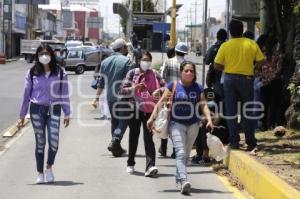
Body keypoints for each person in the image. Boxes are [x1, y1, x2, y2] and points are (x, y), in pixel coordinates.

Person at [147, 61, 213, 194]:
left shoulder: (199, 88)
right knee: (181, 153)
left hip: (194, 124)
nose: (189, 73)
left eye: (191, 71)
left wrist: (209, 119)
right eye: (186, 71)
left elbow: (203, 105)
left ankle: (179, 178)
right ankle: (184, 180)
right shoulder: (173, 85)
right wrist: (151, 118)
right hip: (176, 124)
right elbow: (161, 102)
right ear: (181, 72)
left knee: (186, 155)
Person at [17, 44, 70, 184]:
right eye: (41, 54)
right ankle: (40, 173)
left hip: (54, 109)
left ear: (52, 55)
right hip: (36, 109)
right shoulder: (32, 73)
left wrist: (67, 113)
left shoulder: (60, 73)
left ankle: (49, 167)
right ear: (37, 56)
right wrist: (21, 116)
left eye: (47, 53)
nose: (44, 56)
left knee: (54, 143)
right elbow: (25, 95)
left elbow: (64, 93)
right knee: (40, 142)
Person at [214, 20, 265, 151]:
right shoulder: (251, 43)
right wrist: (253, 68)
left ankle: (234, 141)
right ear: (242, 30)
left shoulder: (225, 45)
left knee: (231, 112)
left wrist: (227, 67)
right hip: (247, 79)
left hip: (229, 79)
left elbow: (216, 65)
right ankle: (250, 141)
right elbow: (261, 60)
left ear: (230, 32)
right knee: (247, 110)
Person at [120, 51, 165, 176]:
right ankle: (130, 163)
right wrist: (133, 88)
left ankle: (150, 166)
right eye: (144, 59)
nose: (146, 62)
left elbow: (166, 88)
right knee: (133, 136)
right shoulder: (132, 73)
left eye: (148, 60)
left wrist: (159, 91)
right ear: (139, 60)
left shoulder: (155, 74)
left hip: (150, 110)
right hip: (134, 109)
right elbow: (122, 90)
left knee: (148, 137)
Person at [95, 38, 133, 157]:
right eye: (126, 47)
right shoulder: (127, 61)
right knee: (124, 121)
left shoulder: (105, 62)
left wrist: (96, 97)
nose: (127, 49)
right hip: (123, 96)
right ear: (122, 48)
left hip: (110, 97)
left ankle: (117, 148)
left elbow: (101, 82)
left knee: (115, 121)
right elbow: (131, 80)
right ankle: (115, 140)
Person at [159, 42, 189, 158]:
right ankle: (175, 150)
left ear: (175, 51)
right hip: (183, 96)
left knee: (166, 120)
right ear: (185, 53)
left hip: (169, 96)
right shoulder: (187, 65)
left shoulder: (168, 62)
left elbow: (162, 80)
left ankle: (163, 147)